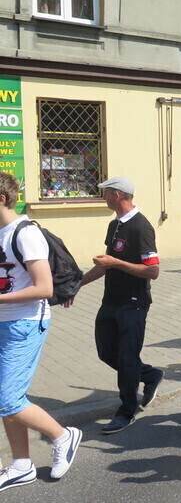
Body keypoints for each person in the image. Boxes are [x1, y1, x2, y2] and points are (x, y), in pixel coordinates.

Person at [0, 173, 82, 491]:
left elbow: (44, 288)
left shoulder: (25, 233)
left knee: (7, 398)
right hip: (3, 320)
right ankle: (21, 465)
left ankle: (63, 436)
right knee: (7, 394)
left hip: (25, 322)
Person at [78, 176, 163, 435]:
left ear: (116, 195)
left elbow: (153, 271)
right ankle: (149, 375)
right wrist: (77, 284)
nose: (102, 196)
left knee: (127, 360)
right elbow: (105, 263)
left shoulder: (141, 227)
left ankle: (126, 411)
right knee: (107, 352)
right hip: (111, 301)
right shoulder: (114, 224)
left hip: (134, 304)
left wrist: (117, 264)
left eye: (105, 192)